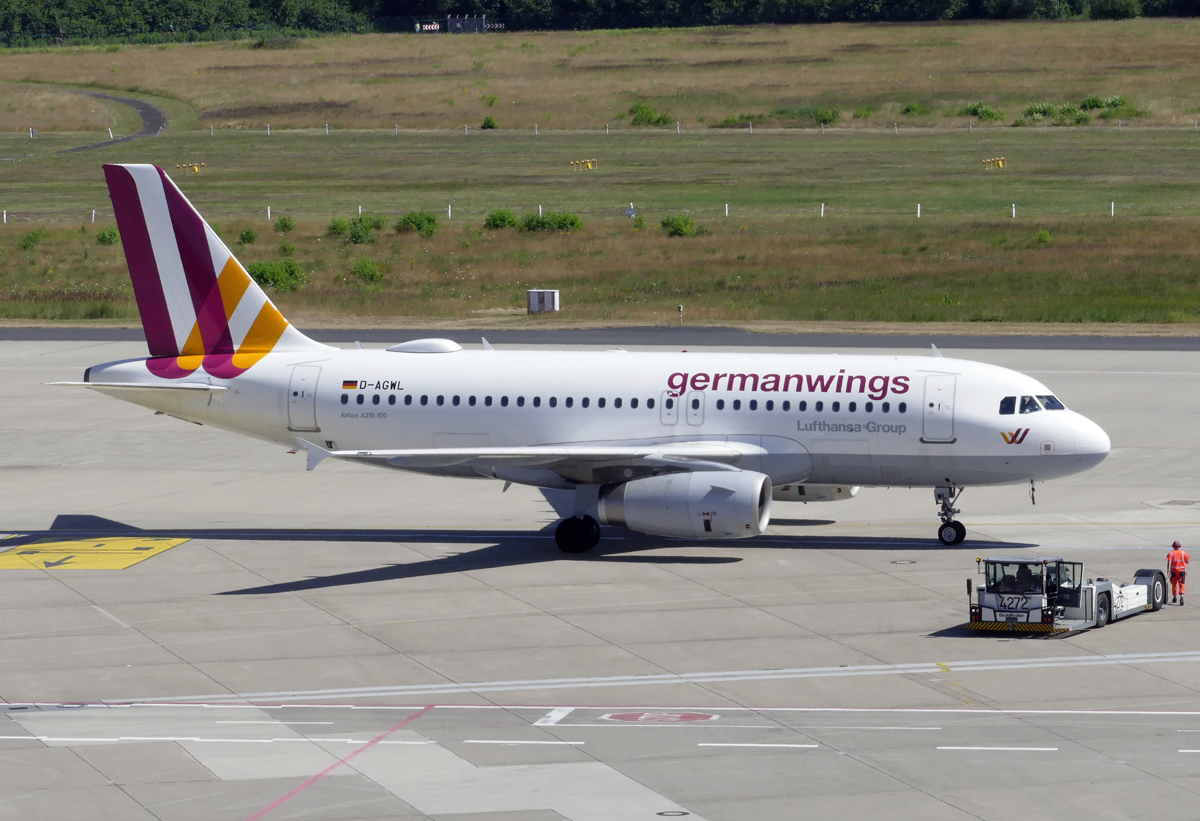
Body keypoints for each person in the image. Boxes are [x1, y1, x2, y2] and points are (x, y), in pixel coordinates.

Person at [1168, 541, 1190, 605]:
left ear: (1173, 546)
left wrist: (1168, 571)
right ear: (1179, 546)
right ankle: (1182, 597)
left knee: (1174, 584)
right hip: (1182, 571)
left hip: (1173, 572)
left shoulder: (1171, 553)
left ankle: (1175, 597)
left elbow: (1169, 563)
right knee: (1182, 584)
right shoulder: (1183, 553)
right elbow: (1187, 561)